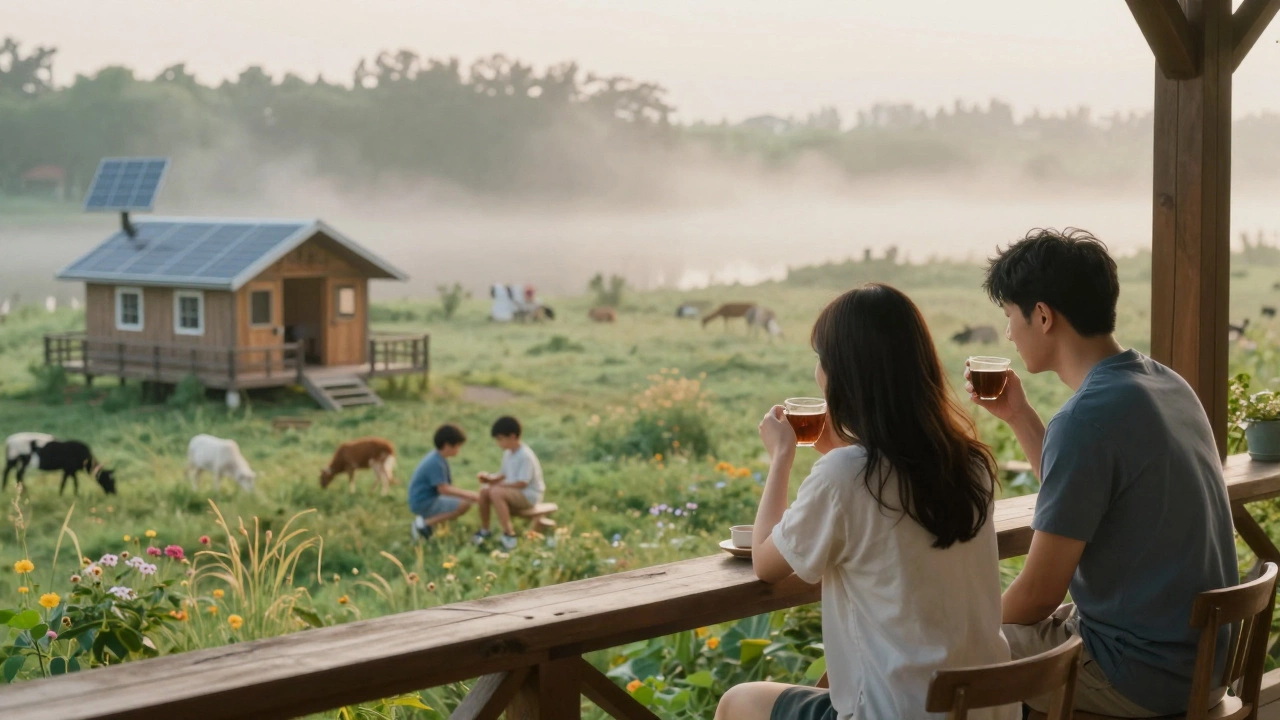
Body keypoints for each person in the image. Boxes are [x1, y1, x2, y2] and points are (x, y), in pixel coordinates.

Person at [717, 284, 1016, 720]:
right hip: (982, 710)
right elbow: (888, 490)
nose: (819, 372)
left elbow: (766, 564)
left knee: (738, 702)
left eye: (822, 360)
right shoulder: (970, 463)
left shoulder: (845, 477)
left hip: (891, 713)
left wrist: (781, 457)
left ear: (844, 374)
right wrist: (839, 450)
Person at [970, 228, 1237, 716]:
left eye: (1010, 315)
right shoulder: (1165, 383)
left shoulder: (1087, 419)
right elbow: (1083, 494)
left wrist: (962, 627)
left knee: (952, 658)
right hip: (1202, 664)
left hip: (1140, 675)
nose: (1009, 332)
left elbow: (1036, 595)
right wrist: (1021, 418)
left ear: (1043, 316)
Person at [471, 416, 545, 551]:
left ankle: (509, 534)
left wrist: (498, 486)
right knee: (484, 490)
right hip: (514, 492)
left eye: (500, 439)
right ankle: (485, 530)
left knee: (496, 491)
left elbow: (522, 483)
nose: (499, 443)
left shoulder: (525, 455)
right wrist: (489, 479)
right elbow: (504, 474)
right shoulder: (509, 453)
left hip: (529, 495)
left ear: (512, 437)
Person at [408, 424, 478, 542]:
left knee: (460, 501)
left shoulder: (437, 457)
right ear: (447, 445)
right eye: (457, 446)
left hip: (422, 499)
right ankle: (424, 525)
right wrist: (471, 495)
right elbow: (444, 489)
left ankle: (430, 524)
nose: (458, 450)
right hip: (423, 502)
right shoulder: (436, 462)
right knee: (465, 504)